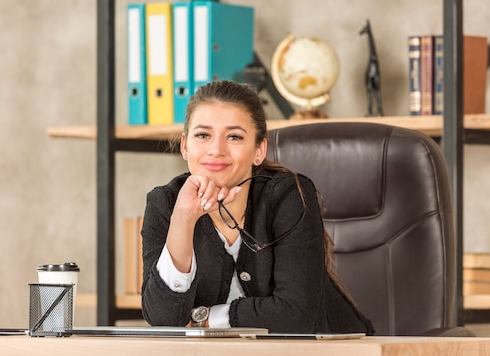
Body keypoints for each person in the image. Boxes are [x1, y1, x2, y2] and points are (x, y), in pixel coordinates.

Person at [141, 80, 374, 335]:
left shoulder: (289, 195)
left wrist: (206, 318)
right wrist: (183, 218)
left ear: (259, 150)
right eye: (203, 135)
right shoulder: (164, 203)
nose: (216, 150)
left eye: (234, 137)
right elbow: (163, 319)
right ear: (185, 146)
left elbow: (295, 316)